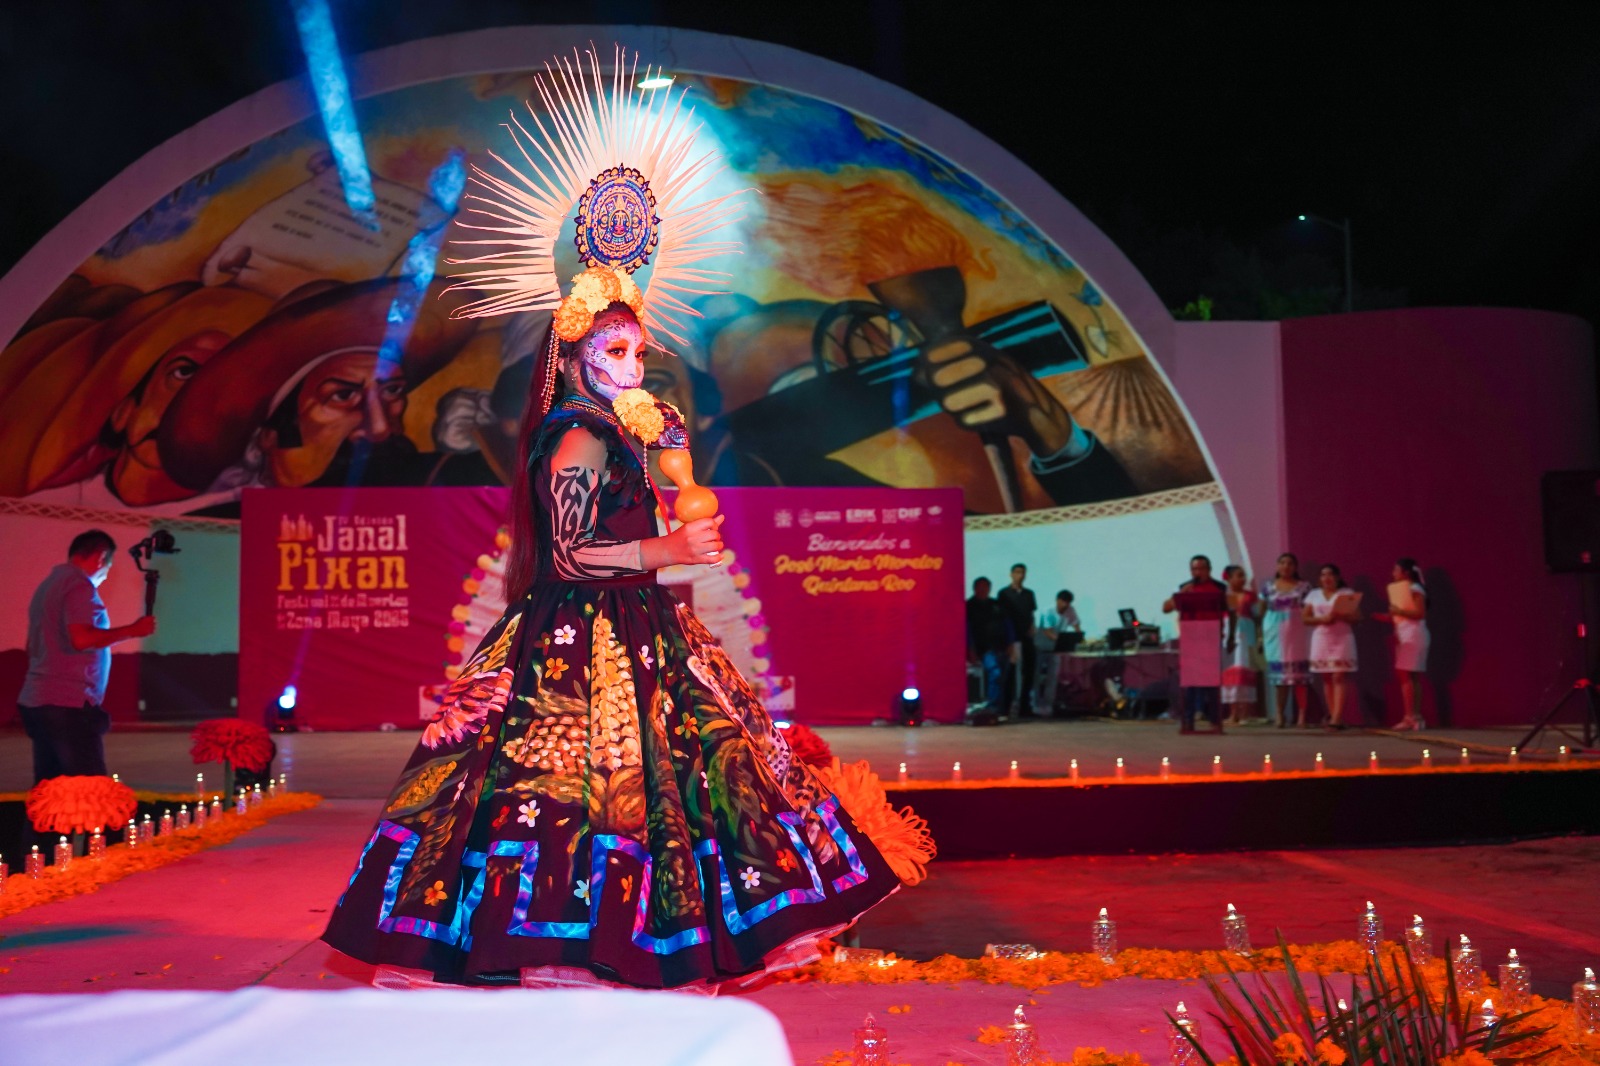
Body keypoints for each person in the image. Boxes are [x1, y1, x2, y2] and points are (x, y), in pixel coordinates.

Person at [323, 53, 921, 992]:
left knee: (704, 777)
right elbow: (566, 553)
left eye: (638, 342)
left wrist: (680, 482)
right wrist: (670, 546)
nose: (632, 356)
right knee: (568, 795)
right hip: (573, 638)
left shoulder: (626, 426)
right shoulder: (572, 439)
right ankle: (560, 944)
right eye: (613, 344)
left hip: (644, 627)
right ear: (575, 352)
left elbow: (682, 496)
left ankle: (668, 936)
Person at [18, 530, 156, 783]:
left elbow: (32, 645)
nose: (104, 578)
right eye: (107, 569)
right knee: (87, 792)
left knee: (50, 794)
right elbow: (81, 639)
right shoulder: (79, 585)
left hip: (39, 699)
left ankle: (43, 826)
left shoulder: (49, 585)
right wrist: (133, 630)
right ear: (101, 558)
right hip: (67, 705)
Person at [1163, 555, 1227, 734]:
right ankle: (1188, 720)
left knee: (1211, 683)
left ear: (1209, 569)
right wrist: (1182, 594)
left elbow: (1228, 607)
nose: (1198, 572)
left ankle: (1215, 721)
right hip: (1191, 639)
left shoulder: (1219, 588)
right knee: (1190, 683)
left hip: (1210, 637)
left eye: (1202, 568)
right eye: (1195, 569)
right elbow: (1166, 607)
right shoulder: (1185, 587)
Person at [1303, 563, 1362, 729]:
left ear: (1337, 577)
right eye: (1323, 575)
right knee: (1327, 677)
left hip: (1342, 637)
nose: (1327, 578)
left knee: (1339, 676)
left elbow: (1357, 618)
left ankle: (1337, 717)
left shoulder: (1346, 594)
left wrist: (1342, 615)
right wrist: (1322, 620)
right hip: (1321, 637)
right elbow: (1305, 618)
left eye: (1330, 575)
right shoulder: (1314, 595)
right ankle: (1333, 716)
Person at [1259, 552, 1314, 728]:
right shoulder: (1268, 587)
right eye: (1282, 563)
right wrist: (1261, 635)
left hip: (1298, 633)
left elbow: (1310, 610)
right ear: (1277, 566)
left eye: (1290, 563)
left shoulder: (1304, 587)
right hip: (1276, 634)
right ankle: (1280, 714)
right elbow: (1261, 611)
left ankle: (1302, 716)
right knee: (1280, 679)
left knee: (1300, 678)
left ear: (1295, 567)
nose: (1286, 566)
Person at [1379, 557, 1430, 730]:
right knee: (1410, 677)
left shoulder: (1414, 588)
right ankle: (1413, 716)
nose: (1393, 573)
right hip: (1405, 633)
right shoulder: (1403, 590)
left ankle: (1412, 716)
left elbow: (1419, 613)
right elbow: (1403, 616)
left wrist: (1398, 611)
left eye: (1396, 570)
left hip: (1413, 635)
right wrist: (1387, 617)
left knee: (1408, 676)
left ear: (1405, 573)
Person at [1220, 565, 1261, 725]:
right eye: (1239, 575)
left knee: (1244, 671)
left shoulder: (1251, 596)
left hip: (1246, 635)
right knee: (1230, 672)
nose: (1242, 579)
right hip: (1229, 635)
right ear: (1229, 578)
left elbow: (1258, 616)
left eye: (1244, 575)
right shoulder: (1224, 596)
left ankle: (1245, 713)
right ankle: (1232, 713)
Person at [997, 563, 1039, 717]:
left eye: (1022, 572)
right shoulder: (1004, 593)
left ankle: (1025, 706)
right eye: (1016, 572)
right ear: (1011, 574)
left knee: (1029, 671)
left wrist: (1032, 628)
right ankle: (1006, 707)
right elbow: (1001, 617)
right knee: (1010, 673)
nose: (1019, 575)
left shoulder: (1029, 594)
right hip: (1011, 639)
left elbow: (1032, 614)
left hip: (1027, 638)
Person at [965, 577, 1012, 711]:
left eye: (985, 587)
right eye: (980, 587)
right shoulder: (969, 606)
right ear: (974, 589)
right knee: (995, 673)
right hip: (984, 648)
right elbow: (967, 630)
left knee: (1002, 678)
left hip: (1002, 647)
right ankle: (992, 706)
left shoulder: (996, 605)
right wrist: (970, 649)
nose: (983, 590)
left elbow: (1008, 624)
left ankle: (1000, 708)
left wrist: (1011, 643)